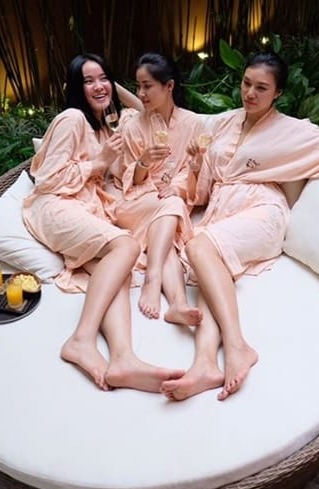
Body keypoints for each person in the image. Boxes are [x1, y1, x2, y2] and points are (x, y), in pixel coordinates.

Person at [160, 52, 319, 402]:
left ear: (278, 93)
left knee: (199, 248)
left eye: (261, 88)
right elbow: (196, 159)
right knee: (210, 269)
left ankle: (237, 346)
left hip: (263, 211)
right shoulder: (226, 122)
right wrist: (194, 163)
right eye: (246, 83)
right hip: (224, 214)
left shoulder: (292, 130)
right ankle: (205, 364)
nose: (250, 93)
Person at [22, 53, 183, 393]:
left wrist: (111, 88)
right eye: (88, 81)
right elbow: (47, 180)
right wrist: (99, 162)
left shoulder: (106, 127)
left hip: (87, 211)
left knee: (115, 271)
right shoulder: (72, 119)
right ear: (75, 88)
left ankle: (123, 359)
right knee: (126, 246)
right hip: (55, 206)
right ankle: (81, 340)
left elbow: (145, 110)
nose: (98, 87)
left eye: (103, 79)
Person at [108, 53, 202, 326]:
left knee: (167, 230)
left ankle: (178, 304)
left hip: (167, 200)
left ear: (169, 86)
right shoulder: (133, 126)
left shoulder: (193, 124)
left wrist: (177, 187)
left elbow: (194, 168)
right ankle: (153, 277)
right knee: (171, 207)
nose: (141, 93)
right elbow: (132, 182)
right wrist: (144, 162)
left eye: (147, 86)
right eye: (138, 86)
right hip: (134, 201)